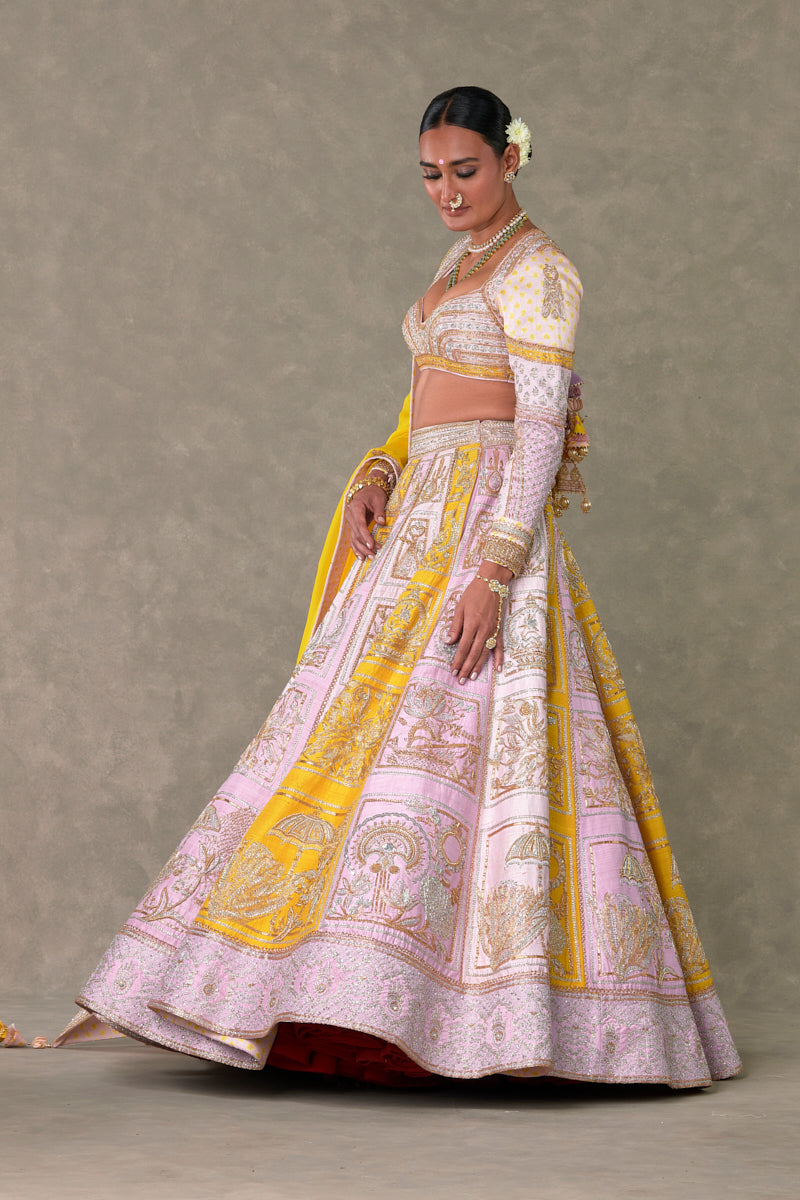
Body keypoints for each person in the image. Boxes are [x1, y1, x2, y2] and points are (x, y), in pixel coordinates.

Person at [48, 86, 741, 1088]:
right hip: (417, 526)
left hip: (481, 536)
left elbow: (537, 429)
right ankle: (326, 1002)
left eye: (465, 171)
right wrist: (378, 473)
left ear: (510, 159)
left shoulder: (539, 271)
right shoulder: (461, 264)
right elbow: (425, 411)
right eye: (430, 175)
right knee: (348, 746)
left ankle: (476, 1021)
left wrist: (494, 571)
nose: (447, 192)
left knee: (459, 754)